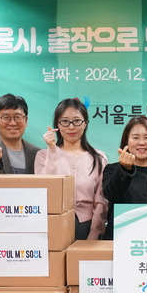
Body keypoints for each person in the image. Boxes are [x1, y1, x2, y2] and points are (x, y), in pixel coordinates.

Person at [34, 98, 108, 240]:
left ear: (85, 123)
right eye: (65, 121)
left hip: (87, 225)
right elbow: (44, 189)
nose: (71, 127)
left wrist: (95, 232)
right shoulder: (43, 155)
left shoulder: (99, 158)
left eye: (77, 121)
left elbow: (101, 201)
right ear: (57, 124)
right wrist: (52, 150)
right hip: (52, 224)